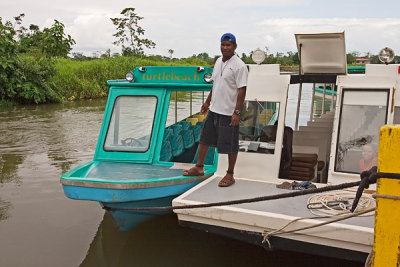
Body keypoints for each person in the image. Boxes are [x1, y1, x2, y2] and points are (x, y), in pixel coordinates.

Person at [183, 33, 248, 187]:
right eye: (223, 45)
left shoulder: (240, 66)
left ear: (235, 47)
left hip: (228, 113)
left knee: (231, 145)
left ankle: (230, 174)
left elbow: (242, 90)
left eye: (228, 45)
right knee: (204, 139)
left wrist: (237, 112)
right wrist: (207, 103)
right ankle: (199, 167)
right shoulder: (218, 61)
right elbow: (215, 84)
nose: (225, 47)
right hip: (214, 110)